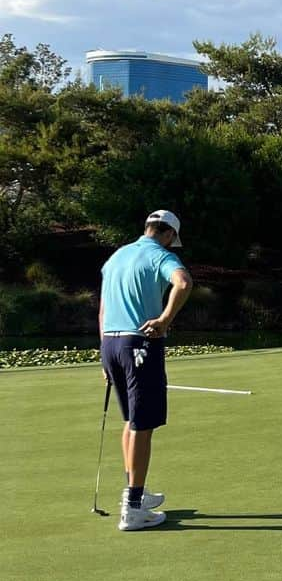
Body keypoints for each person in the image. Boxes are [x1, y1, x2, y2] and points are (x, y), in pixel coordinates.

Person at [99, 209, 193, 532]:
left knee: (131, 421)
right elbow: (183, 283)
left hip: (110, 344)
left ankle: (134, 491)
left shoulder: (117, 256)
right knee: (143, 424)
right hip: (140, 344)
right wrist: (165, 320)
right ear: (168, 235)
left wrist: (103, 354)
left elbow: (103, 306)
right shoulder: (159, 255)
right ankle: (134, 507)